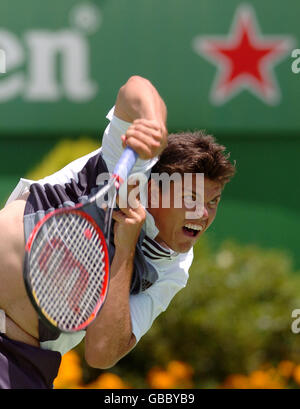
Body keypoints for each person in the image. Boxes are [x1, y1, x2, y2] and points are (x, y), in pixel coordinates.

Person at [0, 76, 235, 388]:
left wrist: (124, 252)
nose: (203, 214)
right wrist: (153, 122)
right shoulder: (131, 170)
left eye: (213, 202)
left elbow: (101, 352)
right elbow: (134, 89)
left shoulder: (172, 269)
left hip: (15, 362)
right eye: (191, 198)